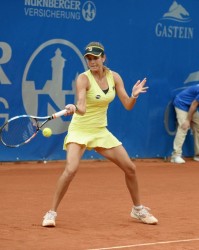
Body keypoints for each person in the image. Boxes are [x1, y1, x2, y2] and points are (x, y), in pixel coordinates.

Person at [42, 41, 158, 227]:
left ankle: (137, 210)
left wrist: (134, 95)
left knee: (130, 168)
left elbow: (128, 105)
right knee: (71, 170)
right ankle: (51, 213)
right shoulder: (83, 79)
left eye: (95, 57)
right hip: (80, 130)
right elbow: (81, 107)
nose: (92, 61)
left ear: (104, 57)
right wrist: (73, 108)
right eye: (88, 58)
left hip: (99, 131)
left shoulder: (115, 77)